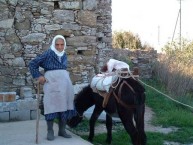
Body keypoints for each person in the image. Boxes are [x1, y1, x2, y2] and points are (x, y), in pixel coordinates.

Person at [29, 35, 76, 141]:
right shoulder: (49, 53)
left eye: (62, 44)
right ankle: (50, 131)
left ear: (64, 45)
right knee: (51, 105)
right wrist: (39, 76)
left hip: (64, 83)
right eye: (57, 44)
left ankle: (62, 130)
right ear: (54, 44)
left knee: (64, 105)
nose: (59, 47)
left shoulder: (64, 54)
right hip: (52, 83)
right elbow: (32, 64)